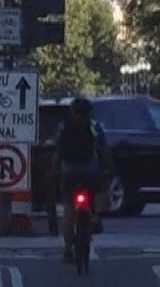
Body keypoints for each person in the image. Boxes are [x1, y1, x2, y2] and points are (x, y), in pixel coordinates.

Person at [56, 97, 109, 260]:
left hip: (69, 170)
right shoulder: (94, 126)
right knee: (99, 189)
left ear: (72, 111)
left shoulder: (64, 126)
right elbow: (102, 148)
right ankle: (94, 218)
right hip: (89, 169)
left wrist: (54, 170)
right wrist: (107, 167)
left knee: (69, 208)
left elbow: (57, 149)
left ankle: (67, 249)